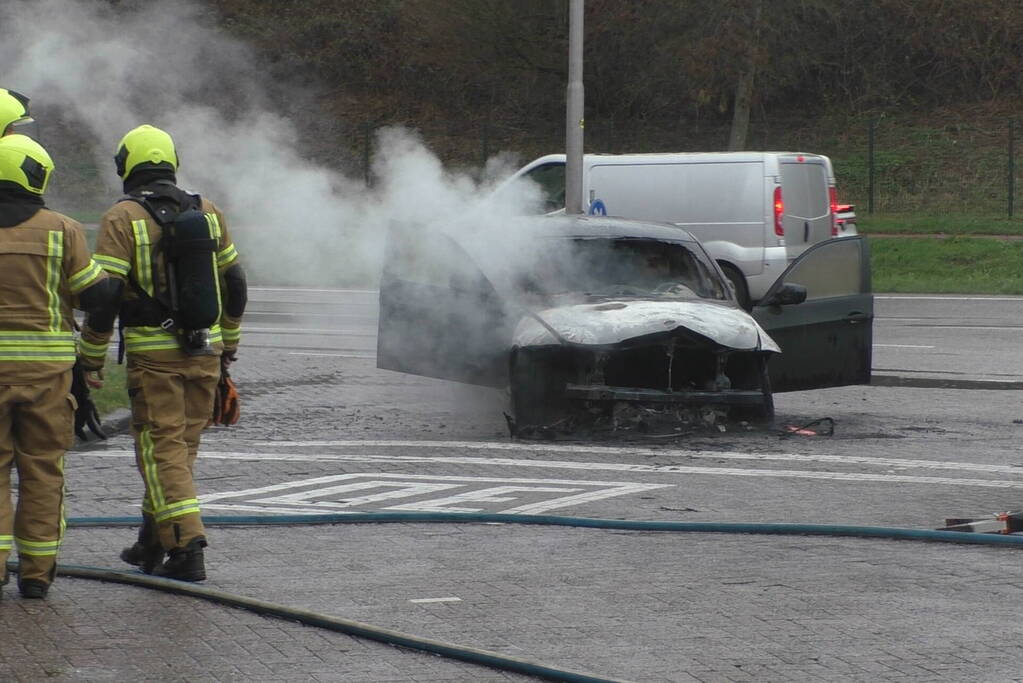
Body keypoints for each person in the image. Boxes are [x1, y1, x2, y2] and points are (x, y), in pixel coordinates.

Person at [78, 125, 246, 582]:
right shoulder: (207, 210)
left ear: (125, 166)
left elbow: (107, 294)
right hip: (204, 354)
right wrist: (228, 344)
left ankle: (188, 546)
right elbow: (235, 284)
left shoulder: (123, 217)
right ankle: (152, 540)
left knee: (161, 452)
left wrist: (90, 358)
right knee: (178, 450)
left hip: (155, 359)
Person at [0, 134, 114, 599]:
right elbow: (100, 295)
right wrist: (90, 358)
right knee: (43, 470)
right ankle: (36, 572)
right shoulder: (62, 229)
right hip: (47, 376)